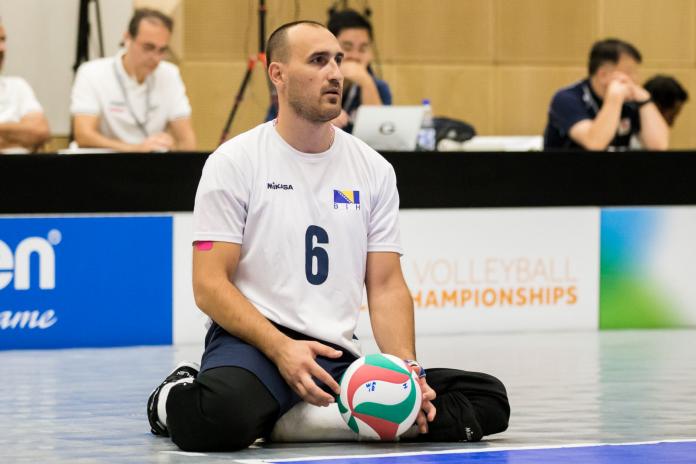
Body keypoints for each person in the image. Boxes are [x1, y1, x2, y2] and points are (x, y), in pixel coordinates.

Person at [146, 21, 509, 452]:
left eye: (338, 60)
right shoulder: (235, 162)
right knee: (217, 421)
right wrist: (281, 348)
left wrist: (409, 371)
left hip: (335, 354)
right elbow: (209, 285)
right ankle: (172, 396)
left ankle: (293, 420)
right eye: (318, 61)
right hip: (254, 342)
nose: (335, 72)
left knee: (489, 399)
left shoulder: (372, 168)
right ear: (276, 73)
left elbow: (386, 284)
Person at [71, 9, 195, 152]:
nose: (155, 58)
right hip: (104, 163)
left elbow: (187, 140)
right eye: (148, 48)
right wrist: (135, 149)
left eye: (162, 50)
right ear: (127, 38)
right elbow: (84, 135)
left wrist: (172, 146)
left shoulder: (170, 74)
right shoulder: (92, 72)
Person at [265, 9, 392, 133]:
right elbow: (274, 129)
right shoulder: (300, 85)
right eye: (347, 47)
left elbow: (384, 135)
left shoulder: (378, 87)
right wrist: (319, 117)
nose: (355, 56)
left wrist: (366, 83)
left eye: (363, 49)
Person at [544, 38, 669, 151]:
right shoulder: (567, 99)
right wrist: (614, 100)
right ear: (603, 75)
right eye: (629, 73)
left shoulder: (630, 102)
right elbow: (595, 144)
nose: (635, 80)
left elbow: (658, 146)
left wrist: (645, 100)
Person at [0, 22, 50, 152]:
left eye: (3, 40)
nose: (2, 48)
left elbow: (40, 132)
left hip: (21, 169)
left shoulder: (18, 86)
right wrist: (18, 135)